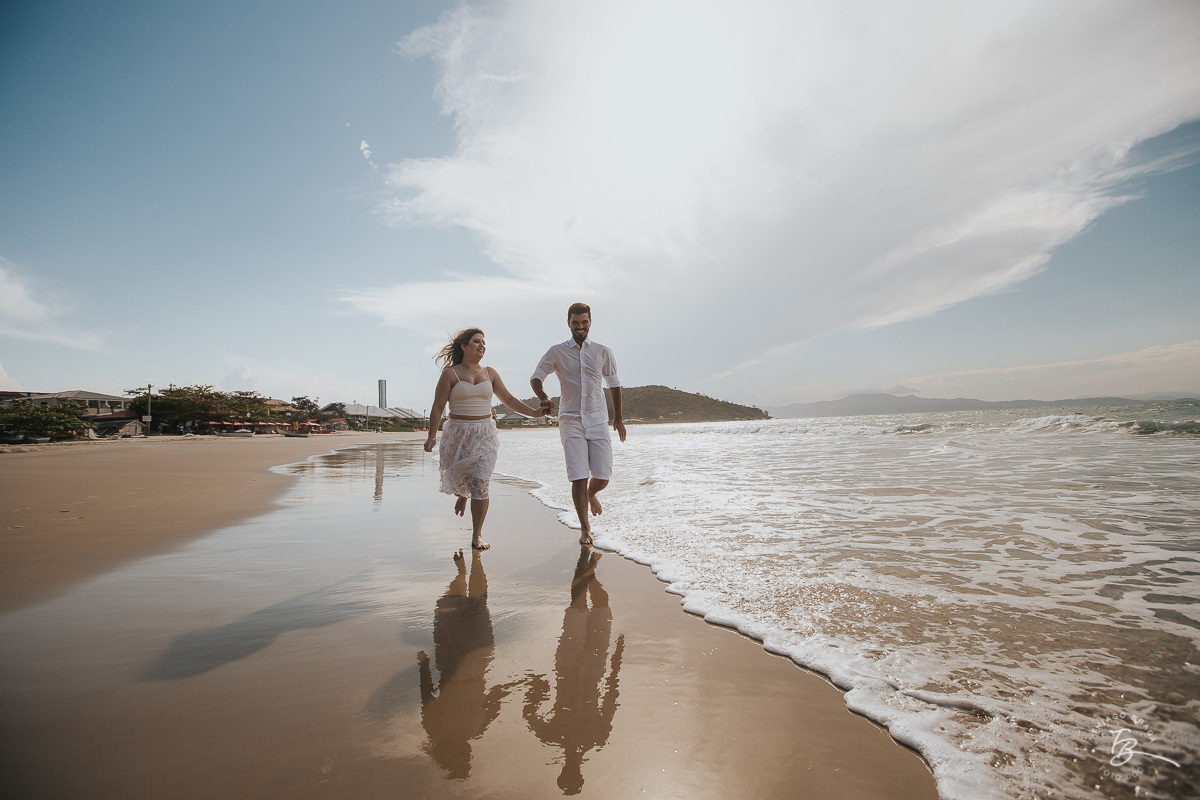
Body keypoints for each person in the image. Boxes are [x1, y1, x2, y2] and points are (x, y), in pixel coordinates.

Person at [425, 328, 547, 550]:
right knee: (461, 474)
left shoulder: (490, 373)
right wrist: (431, 435)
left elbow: (509, 400)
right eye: (476, 341)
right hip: (459, 433)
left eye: (483, 342)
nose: (482, 345)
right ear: (464, 346)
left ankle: (477, 535)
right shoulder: (450, 374)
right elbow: (438, 406)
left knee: (481, 484)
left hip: (485, 434)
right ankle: (463, 494)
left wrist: (534, 413)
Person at [531, 302, 625, 547]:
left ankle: (590, 495)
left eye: (584, 322)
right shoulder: (557, 352)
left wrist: (619, 418)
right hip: (570, 420)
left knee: (602, 477)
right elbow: (536, 377)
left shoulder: (603, 352)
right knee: (579, 477)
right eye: (575, 322)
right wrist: (543, 397)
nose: (580, 327)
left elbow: (614, 384)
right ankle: (585, 529)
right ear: (568, 323)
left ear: (590, 322)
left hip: (598, 420)